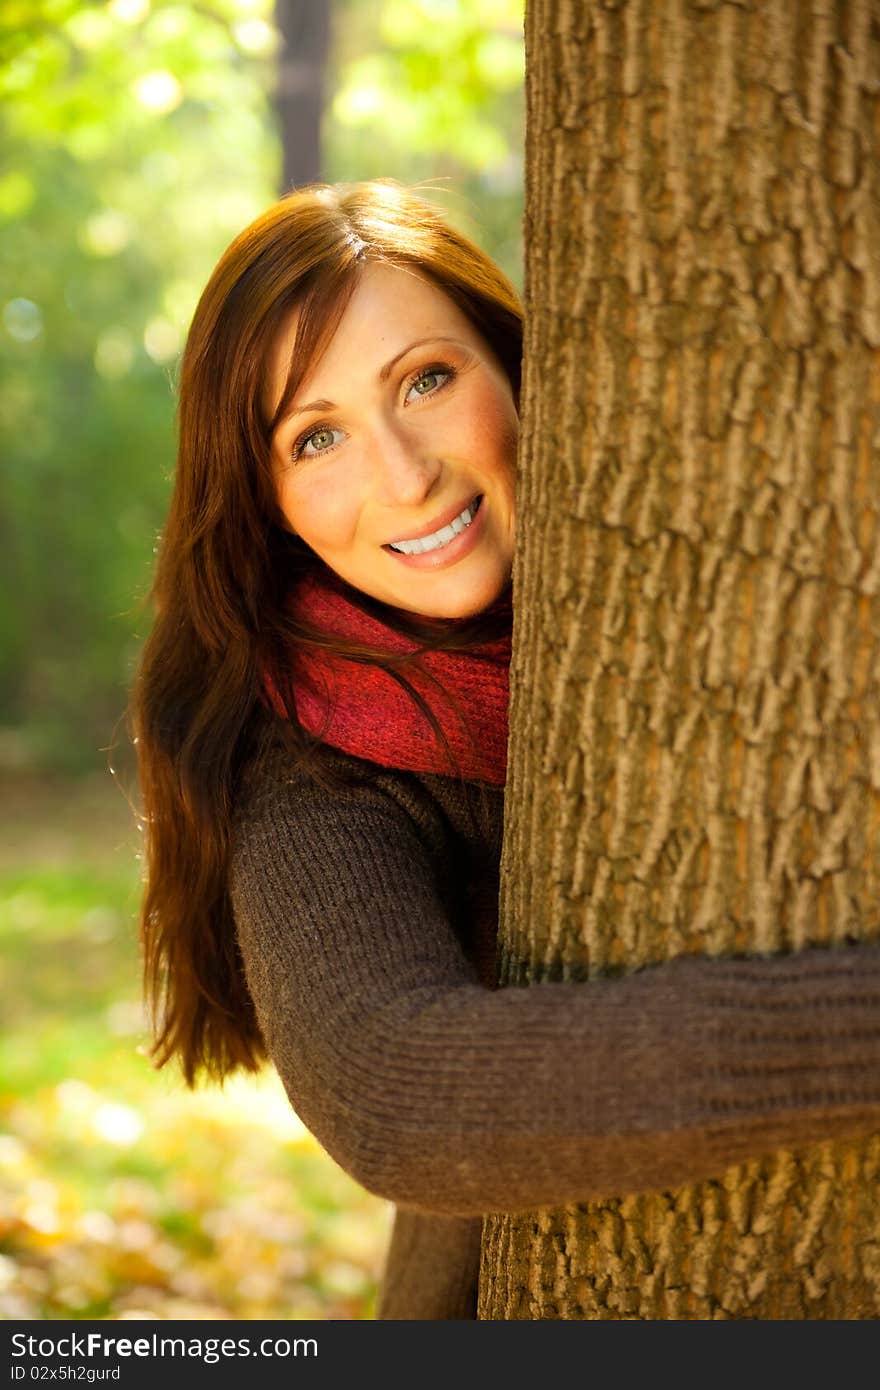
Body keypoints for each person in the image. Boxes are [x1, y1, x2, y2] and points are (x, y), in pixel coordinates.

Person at [131, 179, 880, 1321]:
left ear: (521, 368)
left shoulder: (738, 587)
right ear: (266, 499)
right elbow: (398, 1094)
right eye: (316, 436)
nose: (402, 472)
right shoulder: (312, 759)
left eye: (426, 379)